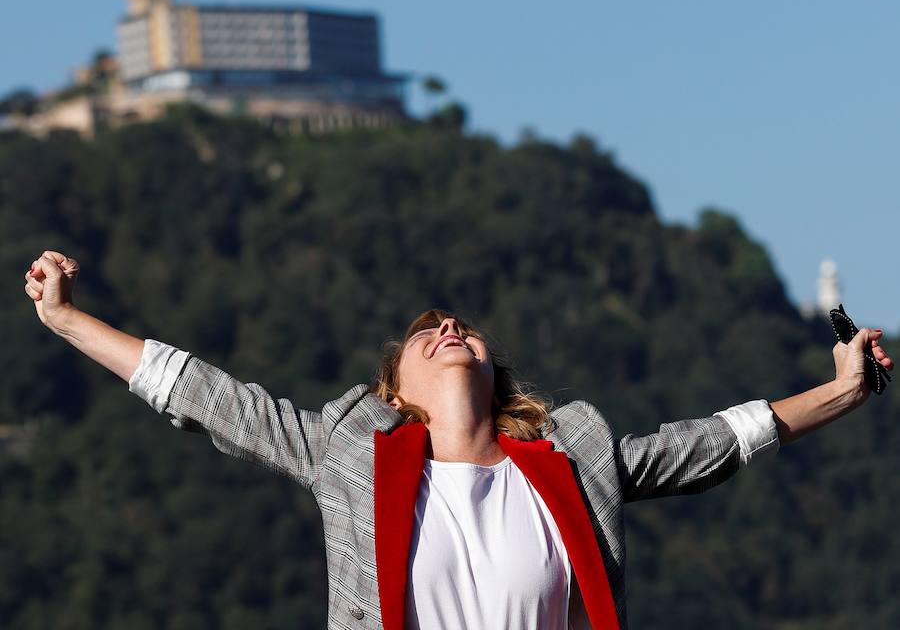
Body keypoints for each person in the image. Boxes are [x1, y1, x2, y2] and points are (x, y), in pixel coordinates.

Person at [24, 249, 894, 630]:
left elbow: (711, 443)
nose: (446, 325)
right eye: (424, 329)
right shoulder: (349, 455)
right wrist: (65, 322)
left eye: (460, 325)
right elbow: (206, 395)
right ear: (393, 389)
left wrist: (844, 390)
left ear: (493, 369)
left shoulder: (572, 464)